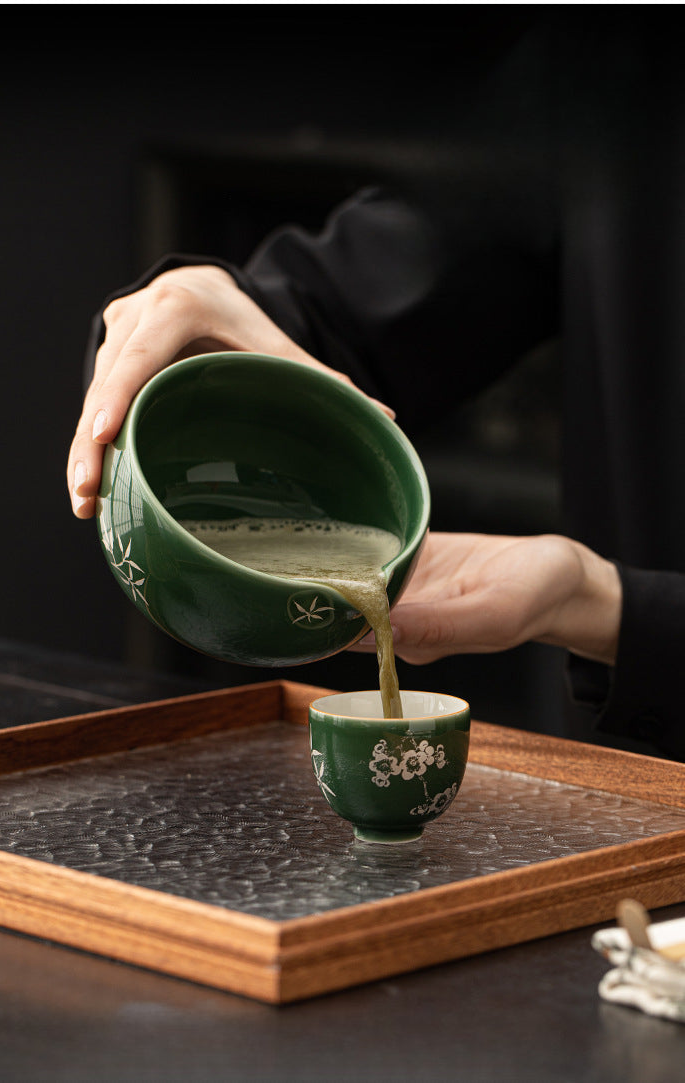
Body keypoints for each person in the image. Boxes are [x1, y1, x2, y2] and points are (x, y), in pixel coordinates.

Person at [67, 13, 685, 762]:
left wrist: (615, 609)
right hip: (621, 792)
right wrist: (198, 316)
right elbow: (367, 295)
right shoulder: (624, 50)